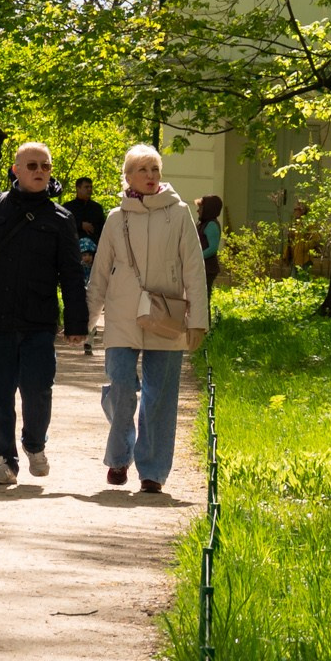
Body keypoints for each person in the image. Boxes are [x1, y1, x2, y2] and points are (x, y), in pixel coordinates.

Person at [0, 142, 88, 487]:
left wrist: (77, 323)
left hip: (39, 320)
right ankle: (3, 459)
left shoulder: (61, 219)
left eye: (46, 166)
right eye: (32, 165)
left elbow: (70, 274)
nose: (40, 171)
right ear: (15, 170)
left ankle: (34, 444)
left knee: (38, 390)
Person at [87, 146, 210, 495]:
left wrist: (197, 319)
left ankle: (153, 470)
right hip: (123, 315)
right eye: (143, 170)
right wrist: (85, 322)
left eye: (155, 168)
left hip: (167, 317)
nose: (151, 175)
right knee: (121, 386)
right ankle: (119, 455)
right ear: (128, 177)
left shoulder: (179, 212)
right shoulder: (115, 218)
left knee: (160, 396)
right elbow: (99, 275)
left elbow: (193, 269)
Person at [65, 176, 107, 259]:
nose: (89, 189)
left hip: (94, 253)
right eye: (86, 187)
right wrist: (80, 225)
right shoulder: (67, 208)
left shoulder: (97, 208)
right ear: (78, 188)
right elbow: (63, 227)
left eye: (91, 187)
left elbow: (103, 230)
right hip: (73, 252)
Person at [196, 194, 224, 291]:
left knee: (204, 296)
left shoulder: (211, 225)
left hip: (208, 268)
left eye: (200, 208)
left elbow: (212, 248)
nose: (198, 211)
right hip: (201, 267)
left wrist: (196, 257)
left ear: (207, 210)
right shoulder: (203, 224)